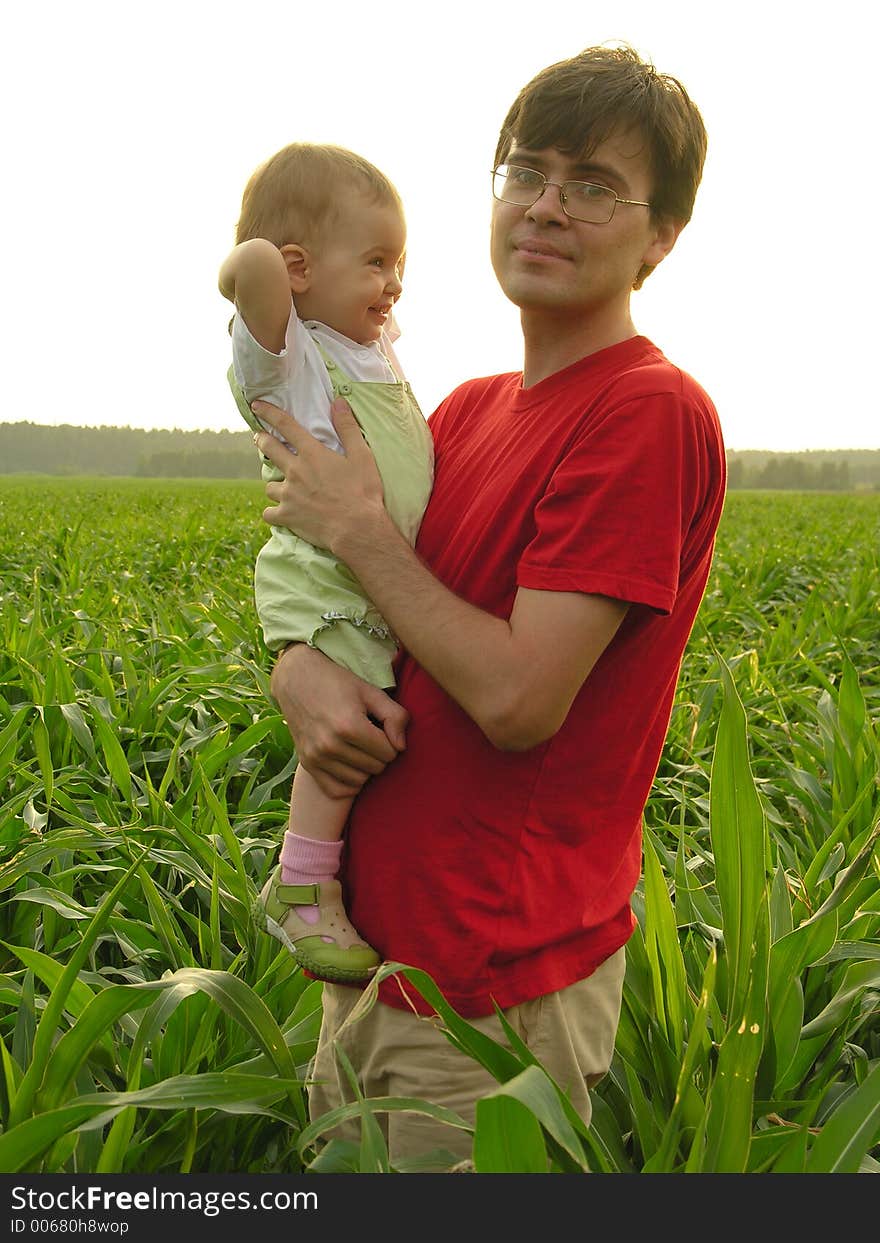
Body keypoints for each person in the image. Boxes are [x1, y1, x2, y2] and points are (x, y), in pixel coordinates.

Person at [249, 45, 727, 1165]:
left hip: (489, 995)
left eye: (595, 186)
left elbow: (517, 697)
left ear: (660, 238)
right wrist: (295, 671)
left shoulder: (646, 412)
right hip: (373, 957)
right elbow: (350, 598)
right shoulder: (459, 411)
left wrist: (360, 529)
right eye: (526, 173)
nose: (547, 207)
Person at [218, 144, 434, 985]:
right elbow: (259, 272)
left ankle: (316, 875)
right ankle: (302, 884)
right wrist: (253, 261)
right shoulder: (290, 356)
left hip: (367, 578)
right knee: (339, 736)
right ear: (302, 270)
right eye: (377, 261)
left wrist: (365, 278)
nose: (394, 283)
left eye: (402, 264)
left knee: (362, 719)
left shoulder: (366, 351)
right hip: (326, 584)